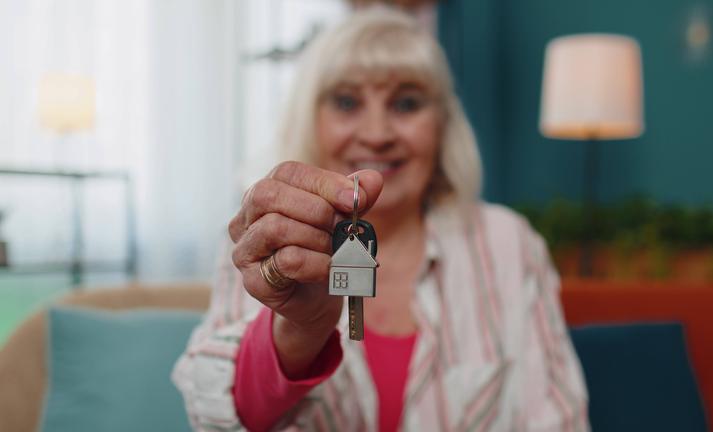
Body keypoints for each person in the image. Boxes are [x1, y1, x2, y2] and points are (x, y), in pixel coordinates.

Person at [173, 6, 589, 432]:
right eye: (347, 101)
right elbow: (214, 418)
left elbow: (559, 420)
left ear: (443, 124)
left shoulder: (508, 243)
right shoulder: (266, 237)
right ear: (310, 119)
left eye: (406, 103)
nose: (376, 133)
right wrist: (298, 332)